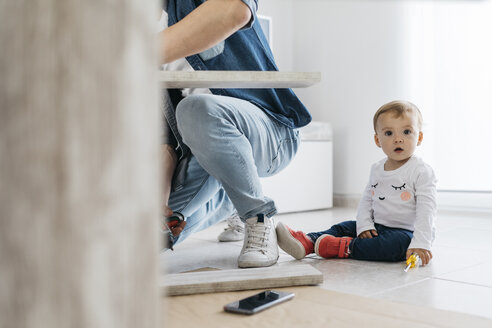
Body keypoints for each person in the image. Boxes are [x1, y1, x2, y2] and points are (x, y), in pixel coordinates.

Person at [160, 0, 311, 268]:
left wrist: (133, 56)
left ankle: (258, 217)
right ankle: (229, 202)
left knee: (194, 109)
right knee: (147, 234)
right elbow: (164, 145)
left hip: (269, 130)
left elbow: (235, 9)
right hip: (205, 151)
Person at [276, 100, 437, 266]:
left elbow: (427, 210)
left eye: (406, 132)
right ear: (377, 140)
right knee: (344, 227)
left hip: (406, 232)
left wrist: (421, 243)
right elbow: (366, 201)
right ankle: (308, 241)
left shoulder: (421, 171)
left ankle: (345, 248)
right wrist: (364, 225)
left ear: (419, 137)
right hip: (377, 226)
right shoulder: (376, 169)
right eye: (389, 133)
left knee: (397, 245)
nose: (398, 139)